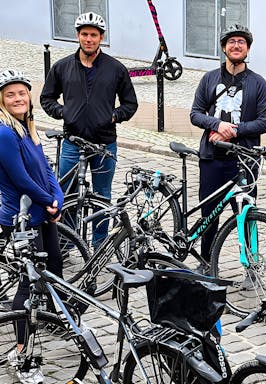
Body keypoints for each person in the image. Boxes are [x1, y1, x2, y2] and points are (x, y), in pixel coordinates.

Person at [40, 11, 138, 247]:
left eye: (93, 35)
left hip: (104, 144)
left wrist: (113, 116)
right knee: (67, 193)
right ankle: (66, 242)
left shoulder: (115, 68)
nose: (89, 39)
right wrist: (63, 112)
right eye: (84, 34)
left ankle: (99, 244)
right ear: (78, 36)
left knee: (102, 196)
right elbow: (47, 98)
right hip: (73, 142)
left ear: (101, 38)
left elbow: (130, 103)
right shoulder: (62, 67)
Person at [190, 24, 266, 279]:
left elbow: (265, 121)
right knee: (209, 214)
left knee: (246, 214)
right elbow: (195, 113)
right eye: (232, 42)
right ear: (224, 47)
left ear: (247, 48)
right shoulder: (209, 79)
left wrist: (234, 130)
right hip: (212, 158)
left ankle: (250, 266)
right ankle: (206, 262)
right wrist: (216, 125)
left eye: (241, 42)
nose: (236, 46)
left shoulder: (258, 83)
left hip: (244, 160)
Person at [0, 69, 64, 384]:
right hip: (22, 217)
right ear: (1, 100)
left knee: (54, 265)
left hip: (42, 212)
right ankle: (21, 354)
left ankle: (52, 319)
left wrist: (58, 198)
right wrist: (47, 201)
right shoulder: (4, 133)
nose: (17, 99)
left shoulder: (29, 128)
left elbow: (46, 169)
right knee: (28, 285)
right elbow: (19, 178)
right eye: (10, 94)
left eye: (21, 93)